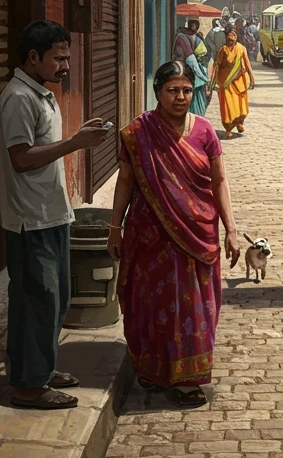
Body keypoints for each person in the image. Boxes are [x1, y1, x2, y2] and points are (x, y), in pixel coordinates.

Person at [107, 60, 240, 406]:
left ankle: (188, 379)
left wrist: (231, 230)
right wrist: (114, 227)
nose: (180, 97)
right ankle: (151, 370)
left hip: (198, 235)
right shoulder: (138, 133)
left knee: (196, 306)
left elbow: (219, 181)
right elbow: (125, 180)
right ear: (157, 93)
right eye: (172, 90)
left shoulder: (205, 132)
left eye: (185, 90)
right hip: (150, 236)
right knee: (150, 304)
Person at [0, 20, 111, 410]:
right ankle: (29, 387)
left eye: (67, 57)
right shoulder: (18, 98)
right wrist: (74, 143)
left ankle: (37, 370)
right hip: (31, 219)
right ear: (34, 57)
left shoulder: (40, 93)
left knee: (55, 298)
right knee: (37, 300)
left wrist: (76, 136)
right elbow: (21, 159)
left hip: (52, 214)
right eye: (58, 58)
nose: (65, 65)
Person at [208, 26, 255, 136]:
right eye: (229, 36)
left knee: (240, 105)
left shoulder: (241, 48)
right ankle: (228, 129)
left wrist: (252, 77)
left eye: (233, 36)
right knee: (228, 106)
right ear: (226, 37)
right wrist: (212, 82)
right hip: (226, 83)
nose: (231, 38)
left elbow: (247, 63)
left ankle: (239, 123)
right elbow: (216, 66)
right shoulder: (222, 50)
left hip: (239, 82)